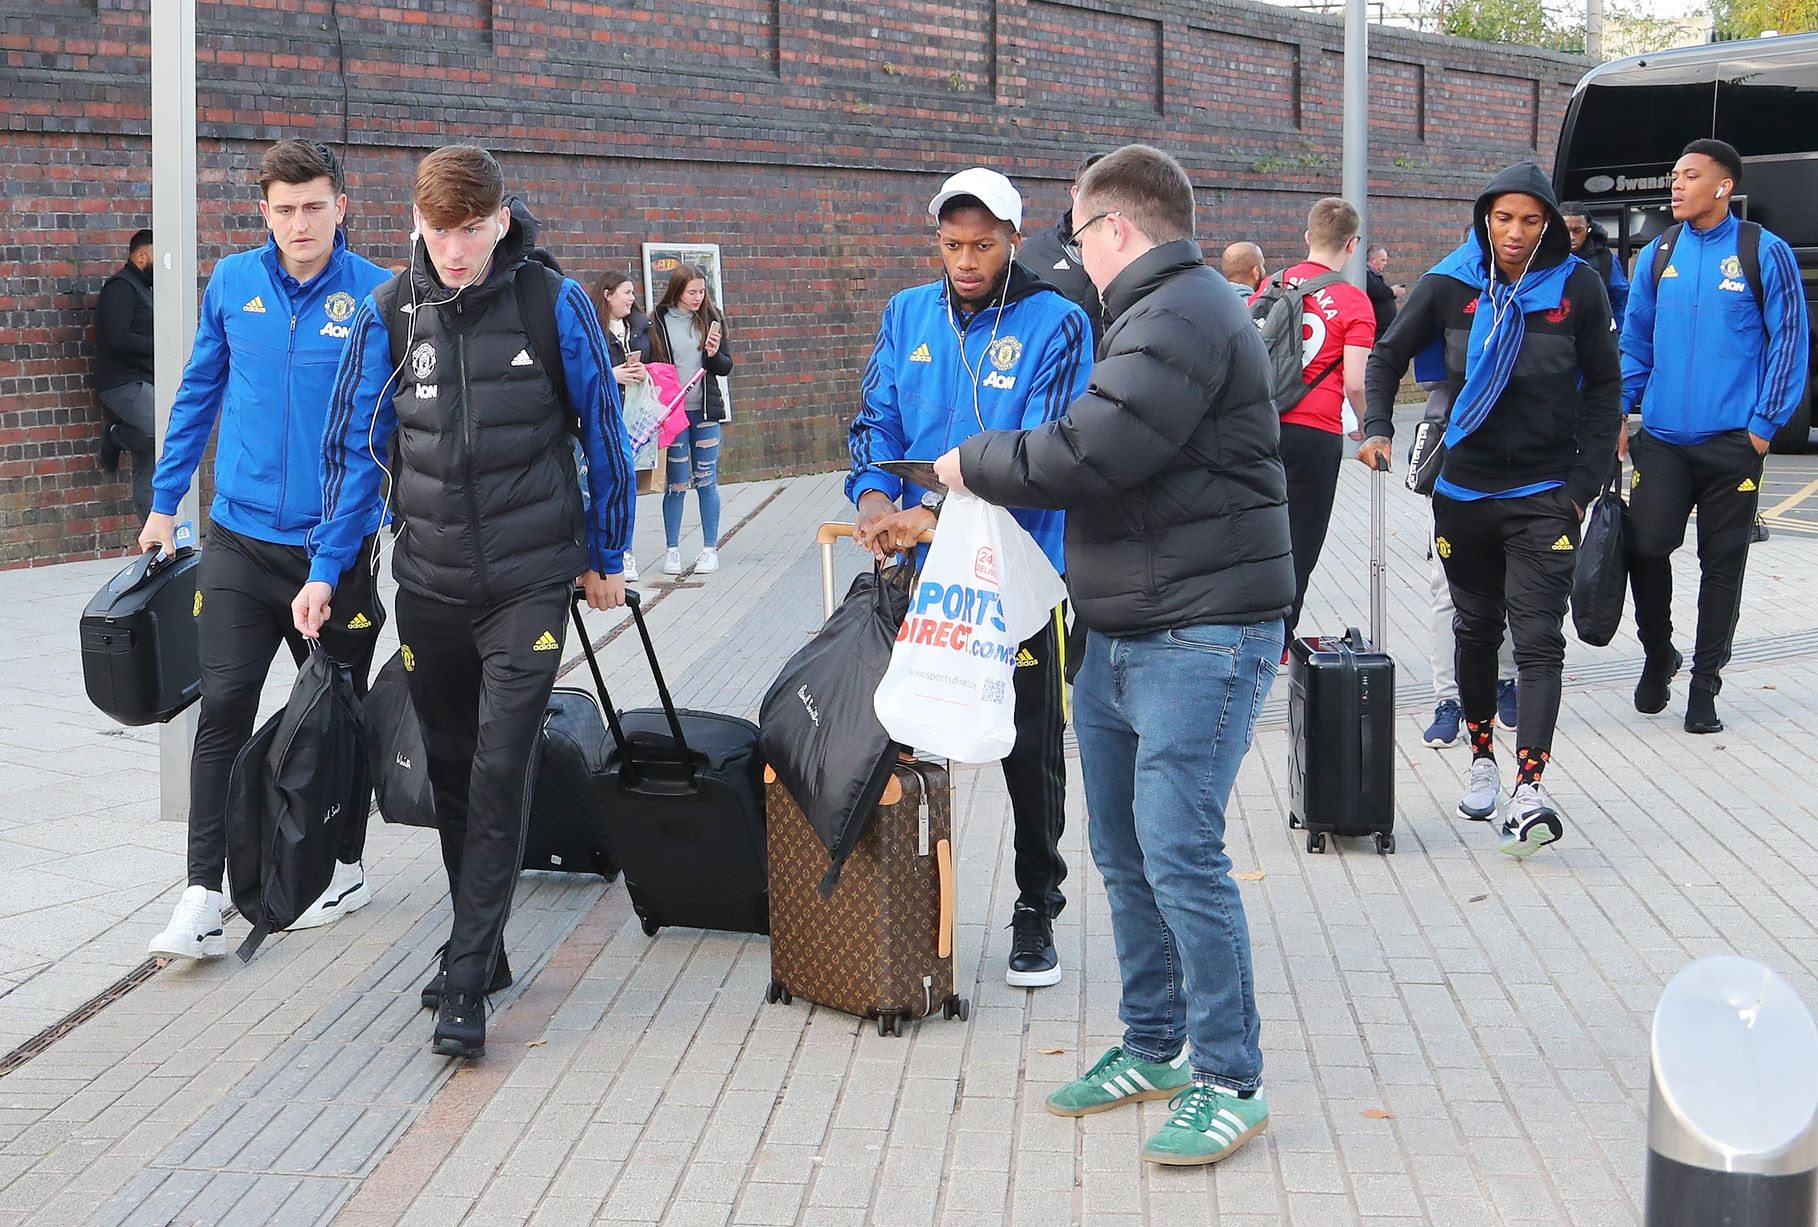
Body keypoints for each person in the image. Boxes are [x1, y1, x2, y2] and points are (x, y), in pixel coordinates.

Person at [935, 143, 1294, 1167]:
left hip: (1202, 634)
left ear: (1117, 230)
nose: (1074, 254)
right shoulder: (1150, 312)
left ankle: (1232, 1079)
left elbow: (1093, 449)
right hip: (1130, 628)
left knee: (1180, 856)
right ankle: (1153, 1045)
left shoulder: (1179, 312)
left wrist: (975, 462)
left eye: (1079, 234)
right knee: (1126, 852)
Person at [296, 144, 632, 1059]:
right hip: (432, 585)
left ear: (500, 219)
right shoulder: (390, 313)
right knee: (450, 774)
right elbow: (355, 456)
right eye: (439, 232)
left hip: (529, 584)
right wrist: (327, 568)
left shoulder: (550, 302)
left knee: (500, 768)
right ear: (416, 223)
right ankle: (484, 944)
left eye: (472, 230)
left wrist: (606, 552)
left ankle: (468, 973)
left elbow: (604, 431)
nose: (454, 250)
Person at [140, 140, 390, 962]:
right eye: (283, 209)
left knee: (338, 716)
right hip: (241, 541)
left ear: (341, 206)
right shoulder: (234, 283)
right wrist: (164, 502)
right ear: (263, 213)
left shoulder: (378, 295)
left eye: (314, 205)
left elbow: (370, 443)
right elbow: (199, 391)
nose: (299, 223)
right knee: (224, 713)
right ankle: (202, 896)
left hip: (335, 546)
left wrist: (334, 557)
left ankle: (344, 864)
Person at [847, 166, 1091, 990]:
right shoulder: (906, 313)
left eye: (982, 244)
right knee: (896, 727)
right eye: (951, 243)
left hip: (1016, 570)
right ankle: (895, 903)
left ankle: (1035, 902)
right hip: (918, 567)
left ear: (1015, 240)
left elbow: (1050, 452)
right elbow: (875, 419)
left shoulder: (1056, 322)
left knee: (1029, 745)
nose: (965, 258)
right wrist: (875, 495)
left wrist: (941, 518)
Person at [1360, 162, 1621, 858]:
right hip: (1465, 494)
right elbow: (1386, 357)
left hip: (1544, 498)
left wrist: (1582, 484)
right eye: (1502, 218)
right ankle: (1482, 758)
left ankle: (1530, 787)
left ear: (1549, 226)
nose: (1513, 233)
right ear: (1484, 219)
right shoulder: (1452, 283)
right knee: (1475, 632)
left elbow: (1604, 387)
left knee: (1538, 641)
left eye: (1529, 221)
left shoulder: (1577, 289)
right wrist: (1377, 426)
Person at [1619, 139, 1809, 733]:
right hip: (1665, 440)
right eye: (1674, 175)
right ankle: (1659, 653)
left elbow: (1790, 340)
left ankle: (1705, 684)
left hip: (1734, 443)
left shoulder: (1763, 251)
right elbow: (1635, 339)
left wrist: (1762, 427)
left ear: (1722, 186)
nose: (1675, 185)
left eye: (1690, 176)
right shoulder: (1658, 253)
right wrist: (1621, 414)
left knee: (1721, 565)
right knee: (1646, 547)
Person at [1250, 198, 1375, 644]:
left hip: (1263, 425)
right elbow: (1357, 383)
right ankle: (1281, 637)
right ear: (1353, 244)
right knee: (1302, 537)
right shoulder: (1354, 301)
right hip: (1317, 432)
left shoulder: (1273, 283)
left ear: (1307, 238)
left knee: (1259, 528)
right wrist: (1365, 425)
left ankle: (1247, 626)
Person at [1415, 379, 1519, 747]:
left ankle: (1505, 680)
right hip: (1452, 448)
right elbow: (1424, 373)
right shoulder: (1445, 316)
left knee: (1507, 581)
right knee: (1446, 588)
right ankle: (1448, 699)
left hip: (1516, 447)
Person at [646, 264, 733, 576]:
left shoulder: (713, 318)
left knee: (707, 480)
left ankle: (710, 549)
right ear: (677, 290)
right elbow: (650, 363)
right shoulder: (658, 320)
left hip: (705, 412)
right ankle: (672, 551)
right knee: (677, 483)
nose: (698, 297)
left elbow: (725, 366)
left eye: (701, 291)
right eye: (692, 291)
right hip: (673, 414)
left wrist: (711, 354)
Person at [94, 228, 158, 520]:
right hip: (121, 383)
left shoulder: (143, 288)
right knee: (161, 433)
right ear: (140, 255)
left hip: (144, 382)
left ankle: (152, 531)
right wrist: (161, 345)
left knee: (150, 454)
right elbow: (117, 338)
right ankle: (115, 435)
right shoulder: (121, 287)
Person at [1016, 152, 1107, 349]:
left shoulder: (1134, 255)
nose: (1101, 203)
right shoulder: (1035, 254)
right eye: (1094, 192)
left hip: (1114, 373)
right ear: (1076, 193)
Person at [598, 271, 653, 579]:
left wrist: (642, 371)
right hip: (600, 418)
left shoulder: (638, 328)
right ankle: (603, 553)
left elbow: (658, 362)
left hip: (631, 417)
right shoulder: (592, 327)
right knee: (598, 488)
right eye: (626, 292)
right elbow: (583, 371)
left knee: (625, 486)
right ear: (607, 295)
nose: (633, 298)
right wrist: (612, 375)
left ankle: (625, 551)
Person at [1559, 203, 1630, 331]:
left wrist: (1616, 332)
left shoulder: (1605, 259)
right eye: (1565, 230)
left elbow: (1622, 299)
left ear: (1588, 228)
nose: (1571, 237)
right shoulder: (1539, 257)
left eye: (1577, 231)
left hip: (1595, 333)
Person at [1364, 243, 1400, 335]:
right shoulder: (1367, 275)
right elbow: (1374, 292)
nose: (1385, 263)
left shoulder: (1374, 276)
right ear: (1373, 260)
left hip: (1383, 327)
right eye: (1383, 260)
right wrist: (1391, 291)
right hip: (1378, 328)